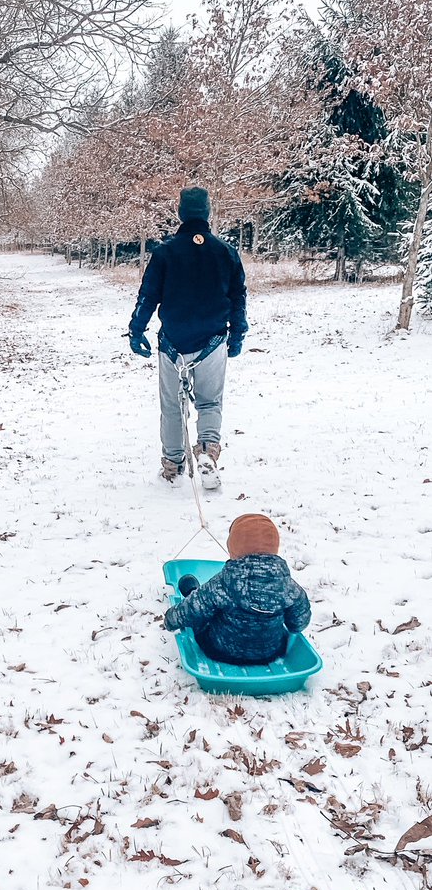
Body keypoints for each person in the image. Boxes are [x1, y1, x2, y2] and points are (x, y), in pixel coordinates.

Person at [127, 186, 247, 486]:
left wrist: (137, 329)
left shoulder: (165, 252)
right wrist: (237, 335)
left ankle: (173, 465)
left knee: (172, 406)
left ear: (181, 212)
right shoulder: (226, 253)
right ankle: (207, 451)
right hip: (213, 341)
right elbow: (238, 297)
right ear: (206, 213)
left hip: (173, 345)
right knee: (209, 403)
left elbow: (148, 295)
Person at [163, 514, 311, 665]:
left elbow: (191, 610)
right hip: (271, 653)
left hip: (220, 649)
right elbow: (299, 623)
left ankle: (192, 591)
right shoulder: (288, 586)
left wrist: (170, 619)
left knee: (203, 609)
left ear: (234, 546)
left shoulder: (224, 582)